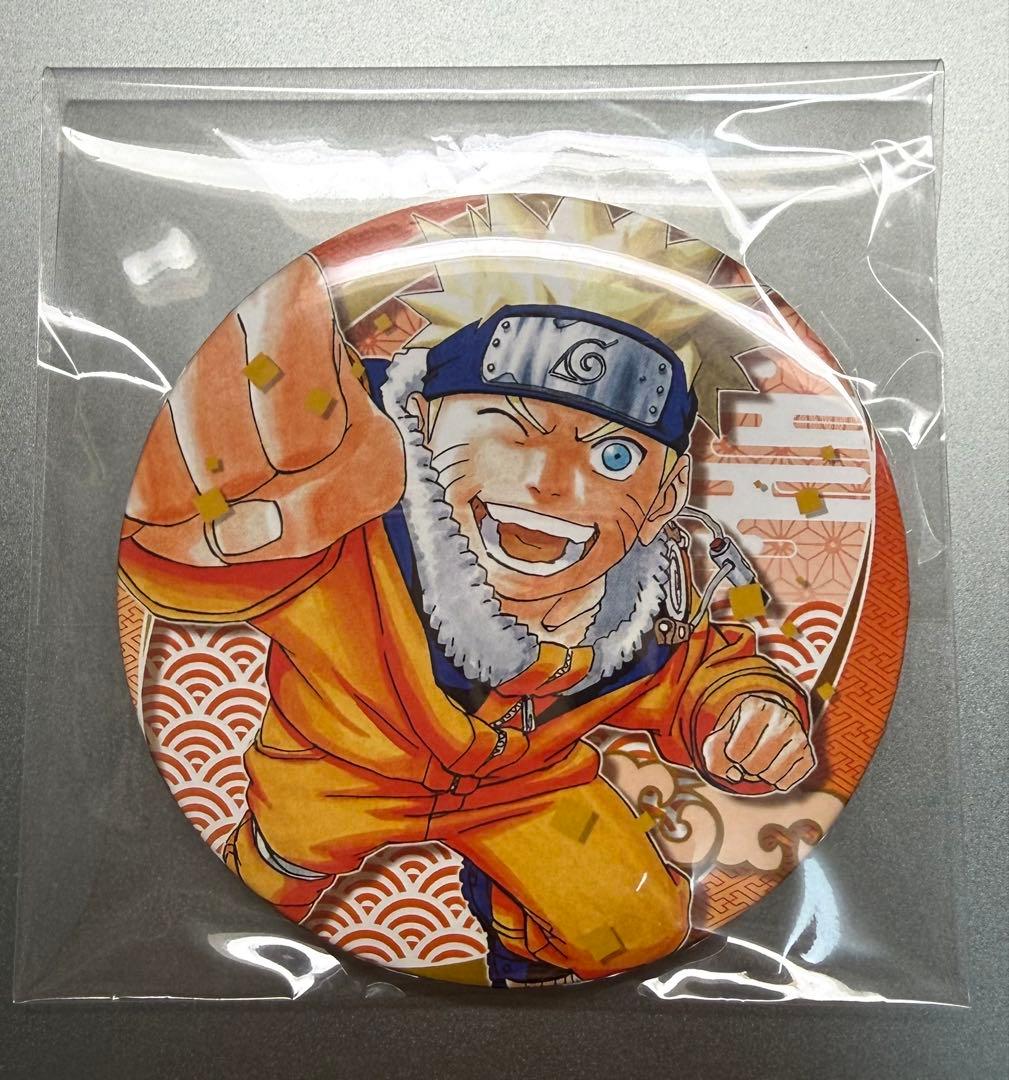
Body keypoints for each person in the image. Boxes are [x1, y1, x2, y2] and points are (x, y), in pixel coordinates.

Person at [119, 196, 814, 984]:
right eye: (507, 424)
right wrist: (204, 500)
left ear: (664, 497)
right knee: (244, 900)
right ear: (418, 424)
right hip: (328, 777)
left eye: (614, 457)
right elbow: (201, 568)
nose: (550, 480)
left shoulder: (647, 608)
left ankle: (523, 951)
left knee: (636, 929)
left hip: (525, 790)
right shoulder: (354, 531)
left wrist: (746, 715)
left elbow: (701, 672)